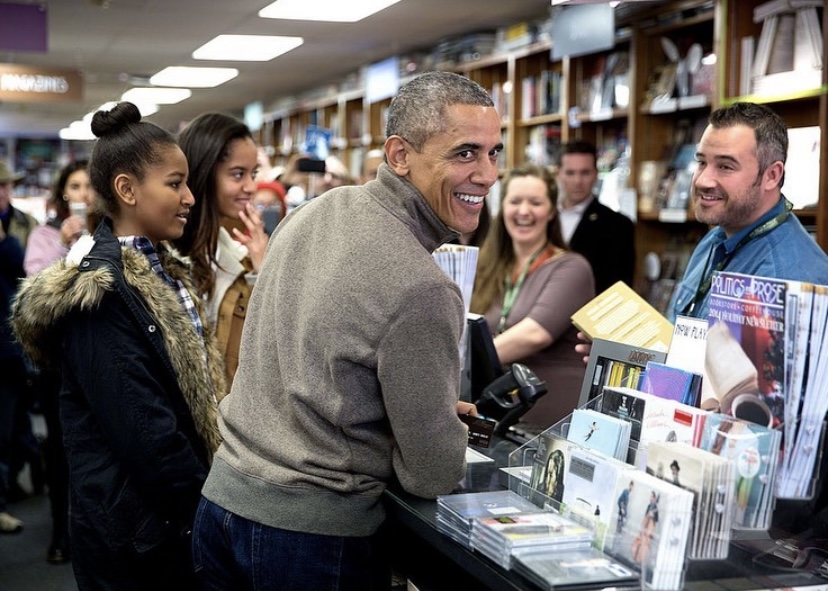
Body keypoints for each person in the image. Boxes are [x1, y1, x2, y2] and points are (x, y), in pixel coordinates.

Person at [191, 70, 498, 591]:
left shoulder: (314, 211)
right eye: (465, 153)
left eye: (494, 153)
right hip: (310, 538)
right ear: (399, 155)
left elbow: (313, 366)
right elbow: (432, 472)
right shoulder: (424, 287)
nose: (487, 175)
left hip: (221, 504)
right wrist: (438, 426)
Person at [10, 101, 225, 591]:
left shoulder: (160, 270)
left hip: (165, 526)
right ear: (127, 189)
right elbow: (147, 434)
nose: (190, 197)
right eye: (175, 184)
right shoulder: (101, 295)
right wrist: (207, 512)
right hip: (139, 538)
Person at [668, 101, 828, 322]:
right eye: (702, 162)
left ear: (771, 175)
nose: (703, 180)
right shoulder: (716, 239)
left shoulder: (787, 281)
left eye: (725, 166)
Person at [471, 162, 595, 429]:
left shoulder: (572, 267)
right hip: (498, 415)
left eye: (535, 202)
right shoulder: (486, 267)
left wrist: (462, 363)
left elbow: (534, 334)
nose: (524, 211)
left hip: (551, 422)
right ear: (502, 207)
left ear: (551, 211)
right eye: (515, 201)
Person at [21, 159, 93, 564]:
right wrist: (69, 248)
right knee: (62, 451)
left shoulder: (109, 235)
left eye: (89, 185)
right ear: (64, 193)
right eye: (76, 186)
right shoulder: (44, 237)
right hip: (56, 363)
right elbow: (37, 295)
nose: (83, 193)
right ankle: (60, 531)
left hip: (95, 359)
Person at [174, 112, 269, 387]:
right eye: (238, 174)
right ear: (204, 173)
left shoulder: (234, 251)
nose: (250, 187)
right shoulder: (170, 253)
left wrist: (263, 270)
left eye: (253, 174)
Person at [0, 160, 34, 535]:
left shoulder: (23, 225)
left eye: (6, 186)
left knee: (12, 427)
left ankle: (11, 484)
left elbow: (27, 272)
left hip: (14, 340)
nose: (2, 193)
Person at [557, 140, 635, 294]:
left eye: (585, 172)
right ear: (559, 174)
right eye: (570, 173)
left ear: (596, 174)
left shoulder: (618, 225)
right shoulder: (542, 217)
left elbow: (618, 290)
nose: (577, 181)